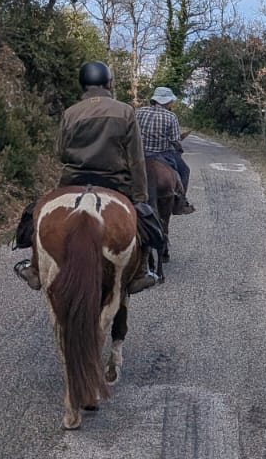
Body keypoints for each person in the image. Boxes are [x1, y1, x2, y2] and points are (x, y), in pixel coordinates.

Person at [13, 61, 162, 294]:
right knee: (147, 224)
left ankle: (34, 267)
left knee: (35, 214)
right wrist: (140, 197)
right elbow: (136, 159)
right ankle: (141, 271)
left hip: (74, 180)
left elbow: (60, 152)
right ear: (108, 82)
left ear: (82, 83)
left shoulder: (70, 113)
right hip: (115, 182)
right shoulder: (125, 111)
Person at [137, 86, 196, 215]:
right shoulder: (171, 116)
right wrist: (179, 149)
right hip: (161, 155)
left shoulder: (140, 111)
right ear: (167, 101)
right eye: (171, 101)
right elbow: (175, 140)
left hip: (140, 154)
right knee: (185, 171)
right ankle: (180, 203)